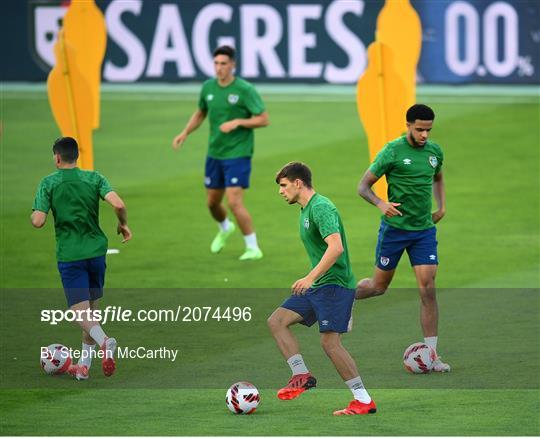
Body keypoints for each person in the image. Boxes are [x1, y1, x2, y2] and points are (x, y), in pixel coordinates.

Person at [268, 162, 377, 416]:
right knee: (276, 321)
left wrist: (309, 277)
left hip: (335, 285)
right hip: (320, 285)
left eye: (283, 185)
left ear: (298, 183)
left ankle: (363, 399)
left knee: (330, 344)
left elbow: (336, 247)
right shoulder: (305, 210)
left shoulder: (321, 207)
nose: (280, 191)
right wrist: (313, 280)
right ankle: (301, 375)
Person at [356, 104, 450, 372]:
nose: (424, 135)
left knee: (428, 288)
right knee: (378, 287)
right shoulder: (392, 151)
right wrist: (380, 204)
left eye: (428, 130)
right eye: (419, 129)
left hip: (423, 231)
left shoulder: (434, 151)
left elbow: (438, 177)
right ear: (408, 125)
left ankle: (432, 355)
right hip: (395, 231)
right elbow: (362, 187)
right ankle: (347, 298)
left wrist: (441, 206)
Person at [31, 137, 132, 380]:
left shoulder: (49, 183)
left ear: (57, 157)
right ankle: (84, 365)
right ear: (77, 156)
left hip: (71, 255)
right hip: (96, 252)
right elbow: (118, 204)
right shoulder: (94, 178)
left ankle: (105, 342)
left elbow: (38, 221)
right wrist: (123, 224)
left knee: (80, 314)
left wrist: (37, 212)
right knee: (91, 312)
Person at [172, 45, 269, 261]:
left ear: (233, 65)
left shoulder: (244, 89)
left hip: (238, 153)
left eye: (224, 63)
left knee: (234, 202)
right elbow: (200, 113)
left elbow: (263, 118)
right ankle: (225, 228)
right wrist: (185, 132)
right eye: (216, 63)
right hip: (215, 153)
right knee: (212, 203)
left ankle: (253, 247)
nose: (219, 68)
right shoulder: (208, 87)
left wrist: (238, 122)